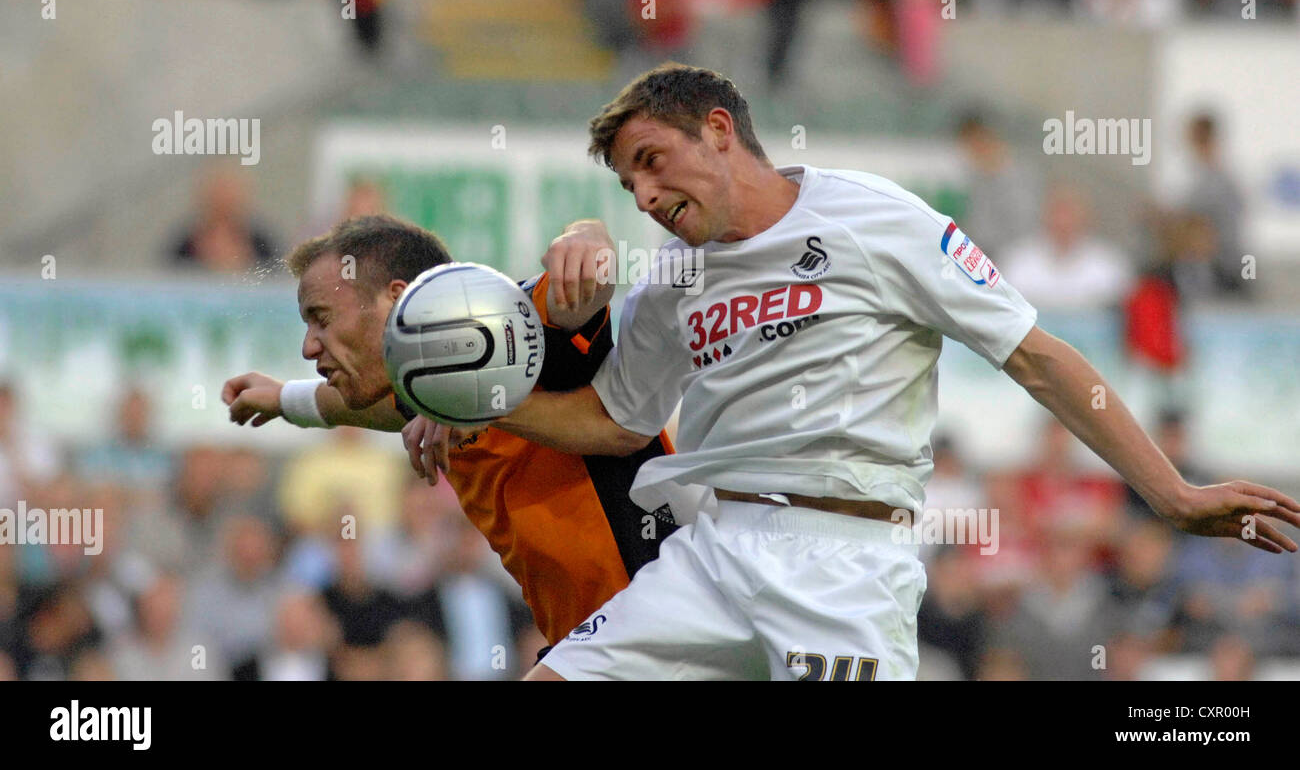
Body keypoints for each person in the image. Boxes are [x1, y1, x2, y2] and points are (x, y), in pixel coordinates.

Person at [405, 62, 1299, 681]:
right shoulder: (675, 278)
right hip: (711, 555)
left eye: (651, 162)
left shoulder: (876, 220)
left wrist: (1170, 492)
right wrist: (486, 401)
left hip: (845, 562)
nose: (642, 196)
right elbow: (613, 419)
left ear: (718, 131)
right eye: (626, 187)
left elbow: (1038, 355)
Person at [223, 214, 679, 649]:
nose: (308, 346)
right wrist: (285, 399)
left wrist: (587, 237)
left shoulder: (502, 326)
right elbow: (365, 408)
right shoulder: (422, 394)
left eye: (321, 318)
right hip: (594, 640)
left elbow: (588, 287)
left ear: (395, 298)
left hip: (657, 619)